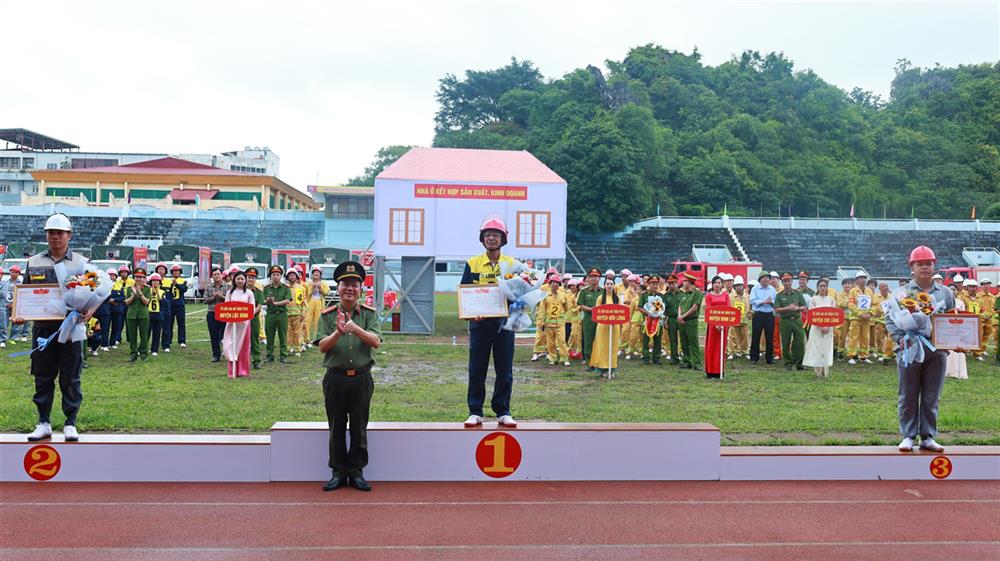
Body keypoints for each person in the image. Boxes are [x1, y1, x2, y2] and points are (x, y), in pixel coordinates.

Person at [13, 214, 89, 442]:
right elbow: (25, 293)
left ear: (69, 235)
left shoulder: (80, 263)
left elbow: (91, 294)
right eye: (51, 232)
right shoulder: (34, 262)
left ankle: (70, 423)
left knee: (70, 377)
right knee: (43, 376)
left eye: (59, 232)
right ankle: (43, 422)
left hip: (71, 328)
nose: (55, 236)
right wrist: (19, 314)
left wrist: (90, 310)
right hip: (43, 330)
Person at [317, 260, 382, 492]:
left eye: (355, 284)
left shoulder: (368, 314)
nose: (350, 288)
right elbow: (322, 346)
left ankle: (356, 471)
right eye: (345, 283)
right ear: (338, 287)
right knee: (335, 426)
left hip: (361, 379)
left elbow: (375, 341)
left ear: (361, 289)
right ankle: (338, 471)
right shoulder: (327, 315)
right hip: (335, 378)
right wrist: (338, 331)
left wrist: (355, 328)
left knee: (358, 426)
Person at [886, 246, 954, 452]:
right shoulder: (902, 293)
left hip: (937, 351)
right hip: (909, 349)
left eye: (928, 263)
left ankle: (927, 436)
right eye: (920, 264)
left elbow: (953, 319)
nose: (925, 267)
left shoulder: (946, 292)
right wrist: (900, 339)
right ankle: (908, 435)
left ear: (934, 266)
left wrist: (957, 340)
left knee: (931, 395)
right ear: (911, 268)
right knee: (908, 393)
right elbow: (889, 319)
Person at [460, 215, 518, 427]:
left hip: (505, 324)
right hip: (479, 324)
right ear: (482, 238)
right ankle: (475, 411)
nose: (491, 238)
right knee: (477, 368)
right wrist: (470, 313)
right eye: (487, 235)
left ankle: (503, 410)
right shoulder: (472, 263)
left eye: (495, 235)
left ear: (503, 239)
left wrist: (517, 304)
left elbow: (518, 292)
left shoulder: (512, 264)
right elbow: (464, 293)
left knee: (504, 369)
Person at [222, 270, 255, 379]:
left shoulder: (249, 293)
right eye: (238, 279)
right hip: (232, 324)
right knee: (231, 346)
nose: (240, 281)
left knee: (244, 348)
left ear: (245, 280)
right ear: (234, 280)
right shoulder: (229, 293)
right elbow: (226, 307)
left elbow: (252, 308)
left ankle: (243, 370)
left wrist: (245, 318)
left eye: (242, 279)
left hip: (244, 325)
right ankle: (232, 371)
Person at [803, 279, 836, 377]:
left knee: (826, 348)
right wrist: (820, 326)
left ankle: (825, 372)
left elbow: (834, 315)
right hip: (816, 328)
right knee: (817, 348)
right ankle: (817, 372)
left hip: (828, 328)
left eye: (824, 286)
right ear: (817, 288)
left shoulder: (831, 300)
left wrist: (828, 326)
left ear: (827, 288)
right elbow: (811, 314)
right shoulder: (813, 299)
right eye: (820, 286)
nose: (822, 288)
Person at [589, 278, 621, 377]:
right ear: (604, 286)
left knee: (613, 347)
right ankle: (602, 369)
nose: (609, 286)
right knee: (602, 347)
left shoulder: (617, 299)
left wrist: (614, 321)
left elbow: (620, 312)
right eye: (607, 284)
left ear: (614, 285)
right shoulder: (600, 298)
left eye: (611, 284)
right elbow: (597, 312)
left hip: (614, 326)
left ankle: (611, 369)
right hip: (603, 326)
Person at [775, 272, 807, 371]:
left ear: (792, 281)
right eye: (785, 281)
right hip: (785, 321)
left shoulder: (798, 293)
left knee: (800, 342)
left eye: (789, 281)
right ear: (782, 282)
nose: (787, 283)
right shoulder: (779, 295)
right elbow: (776, 309)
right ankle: (788, 364)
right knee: (785, 342)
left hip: (797, 320)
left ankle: (799, 363)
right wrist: (788, 308)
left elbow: (804, 307)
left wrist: (797, 308)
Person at [263, 265, 292, 364]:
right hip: (270, 314)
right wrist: (267, 301)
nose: (276, 276)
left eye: (278, 274)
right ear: (271, 276)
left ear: (281, 276)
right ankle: (269, 355)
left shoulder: (285, 288)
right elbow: (262, 301)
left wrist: (276, 303)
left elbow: (288, 300)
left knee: (283, 336)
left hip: (282, 314)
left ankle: (283, 355)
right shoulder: (266, 288)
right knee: (269, 335)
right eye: (273, 274)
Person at [703, 275, 731, 379]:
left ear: (722, 284)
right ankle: (710, 371)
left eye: (719, 283)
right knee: (712, 347)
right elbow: (708, 309)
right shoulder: (709, 296)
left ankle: (720, 370)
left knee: (721, 347)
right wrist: (715, 324)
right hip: (712, 325)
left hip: (724, 325)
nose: (717, 285)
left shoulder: (726, 295)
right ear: (712, 284)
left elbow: (729, 308)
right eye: (715, 283)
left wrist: (723, 324)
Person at [540, 274, 571, 366]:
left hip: (560, 323)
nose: (555, 285)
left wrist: (562, 316)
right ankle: (552, 358)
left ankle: (564, 358)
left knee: (562, 341)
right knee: (550, 342)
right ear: (550, 284)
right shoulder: (545, 296)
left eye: (557, 283)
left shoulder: (563, 295)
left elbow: (567, 307)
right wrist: (541, 322)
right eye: (553, 283)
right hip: (549, 323)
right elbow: (542, 310)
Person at [847, 271, 875, 364]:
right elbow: (851, 304)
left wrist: (870, 313)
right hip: (856, 318)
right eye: (861, 278)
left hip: (867, 319)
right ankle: (851, 355)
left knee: (865, 337)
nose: (863, 279)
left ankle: (863, 356)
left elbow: (874, 304)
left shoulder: (869, 291)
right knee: (853, 337)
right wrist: (860, 314)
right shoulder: (853, 291)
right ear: (857, 280)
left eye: (864, 278)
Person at [576, 268, 602, 368]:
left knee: (600, 340)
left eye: (596, 277)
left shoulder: (603, 291)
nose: (594, 279)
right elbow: (581, 305)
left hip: (601, 320)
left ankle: (599, 361)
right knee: (588, 341)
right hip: (588, 319)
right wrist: (592, 310)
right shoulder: (583, 292)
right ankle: (589, 362)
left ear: (599, 278)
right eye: (591, 277)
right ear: (588, 278)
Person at [749, 272, 777, 364]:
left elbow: (775, 301)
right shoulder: (755, 288)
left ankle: (769, 358)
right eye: (763, 278)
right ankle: (754, 357)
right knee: (756, 336)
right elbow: (752, 300)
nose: (766, 279)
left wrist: (770, 302)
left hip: (769, 315)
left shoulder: (772, 289)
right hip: (758, 315)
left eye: (767, 278)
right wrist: (763, 302)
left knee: (769, 337)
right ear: (760, 279)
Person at [124, 268, 151, 362]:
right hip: (131, 314)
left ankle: (143, 353)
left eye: (141, 277)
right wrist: (133, 295)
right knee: (132, 335)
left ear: (144, 278)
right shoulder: (129, 288)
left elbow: (146, 302)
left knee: (144, 335)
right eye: (137, 277)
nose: (138, 279)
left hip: (143, 314)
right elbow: (127, 302)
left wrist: (139, 293)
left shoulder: (147, 289)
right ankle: (133, 353)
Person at [677, 273, 703, 369]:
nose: (683, 283)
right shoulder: (684, 294)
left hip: (691, 321)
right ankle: (687, 361)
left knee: (693, 342)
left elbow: (694, 308)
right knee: (683, 342)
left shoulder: (697, 293)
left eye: (685, 281)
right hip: (682, 321)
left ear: (689, 282)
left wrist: (682, 317)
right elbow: (680, 306)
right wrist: (680, 316)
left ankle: (696, 363)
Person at [637, 275, 664, 365]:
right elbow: (639, 307)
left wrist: (658, 314)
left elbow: (664, 308)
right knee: (645, 340)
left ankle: (656, 358)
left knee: (658, 340)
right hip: (647, 320)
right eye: (653, 284)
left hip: (658, 321)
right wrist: (648, 313)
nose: (655, 286)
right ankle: (646, 357)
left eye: (656, 284)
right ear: (649, 284)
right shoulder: (644, 295)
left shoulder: (661, 296)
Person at [203, 268, 227, 362]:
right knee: (213, 335)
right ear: (212, 276)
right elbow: (205, 300)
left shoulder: (227, 286)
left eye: (218, 274)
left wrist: (222, 297)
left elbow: (230, 300)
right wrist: (214, 297)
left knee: (224, 334)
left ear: (221, 275)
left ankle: (226, 352)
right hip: (212, 313)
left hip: (224, 313)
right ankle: (216, 354)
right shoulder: (208, 287)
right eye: (214, 274)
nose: (216, 276)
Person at [945, 284, 968, 380]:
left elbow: (965, 316)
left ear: (957, 291)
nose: (952, 291)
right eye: (950, 289)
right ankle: (948, 371)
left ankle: (959, 371)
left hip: (958, 329)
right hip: (947, 329)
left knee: (958, 349)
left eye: (954, 289)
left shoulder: (960, 302)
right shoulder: (944, 302)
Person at [163, 264, 188, 351]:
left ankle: (182, 340)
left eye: (177, 271)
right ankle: (168, 340)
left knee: (181, 323)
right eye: (174, 271)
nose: (176, 272)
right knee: (169, 323)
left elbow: (184, 289)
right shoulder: (168, 280)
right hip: (171, 304)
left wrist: (176, 284)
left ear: (180, 272)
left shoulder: (183, 280)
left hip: (180, 304)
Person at [245, 267, 264, 369]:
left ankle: (256, 360)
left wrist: (250, 314)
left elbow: (259, 306)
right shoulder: (240, 291)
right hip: (241, 319)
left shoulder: (259, 292)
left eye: (253, 277)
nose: (251, 279)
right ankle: (241, 360)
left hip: (253, 318)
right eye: (249, 277)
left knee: (254, 339)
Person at [728, 275, 750, 360]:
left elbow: (749, 307)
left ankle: (744, 352)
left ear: (743, 286)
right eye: (737, 286)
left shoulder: (747, 296)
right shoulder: (730, 296)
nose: (739, 288)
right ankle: (732, 352)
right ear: (734, 287)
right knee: (733, 337)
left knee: (745, 337)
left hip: (744, 320)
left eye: (740, 285)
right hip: (734, 320)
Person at [306, 265, 330, 342]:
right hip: (310, 302)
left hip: (319, 302)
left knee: (318, 321)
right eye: (314, 273)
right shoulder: (308, 283)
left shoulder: (323, 283)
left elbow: (327, 292)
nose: (316, 274)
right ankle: (306, 339)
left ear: (320, 275)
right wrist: (311, 288)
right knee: (307, 321)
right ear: (312, 274)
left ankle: (317, 338)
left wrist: (321, 288)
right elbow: (305, 294)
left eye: (317, 273)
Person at [285, 268, 306, 356]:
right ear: (287, 277)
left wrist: (303, 313)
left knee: (297, 333)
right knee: (287, 332)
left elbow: (304, 302)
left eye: (293, 275)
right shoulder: (284, 287)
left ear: (296, 277)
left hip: (298, 314)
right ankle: (288, 348)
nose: (292, 277)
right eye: (290, 275)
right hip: (286, 314)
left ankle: (297, 349)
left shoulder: (300, 288)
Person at [6, 265, 28, 343]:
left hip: (16, 305)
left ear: (19, 274)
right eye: (12, 272)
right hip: (6, 305)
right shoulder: (5, 283)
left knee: (15, 322)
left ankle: (14, 337)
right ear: (10, 273)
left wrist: (16, 304)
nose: (14, 274)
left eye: (16, 272)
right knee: (4, 323)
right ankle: (3, 337)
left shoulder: (21, 283)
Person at [109, 265, 130, 348]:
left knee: (126, 322)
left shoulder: (131, 281)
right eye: (122, 272)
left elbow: (122, 296)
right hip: (113, 306)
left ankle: (129, 338)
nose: (123, 274)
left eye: (125, 272)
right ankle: (117, 338)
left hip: (126, 303)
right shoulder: (118, 282)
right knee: (119, 324)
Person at [154, 262, 173, 352]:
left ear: (165, 271)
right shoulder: (153, 280)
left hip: (166, 307)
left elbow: (170, 296)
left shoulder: (169, 281)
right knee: (155, 328)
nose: (161, 271)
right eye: (159, 269)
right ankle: (154, 346)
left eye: (163, 269)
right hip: (155, 308)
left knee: (166, 327)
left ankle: (166, 345)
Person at [663, 274, 681, 364]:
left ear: (677, 283)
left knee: (683, 338)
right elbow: (664, 310)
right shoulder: (665, 296)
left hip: (681, 318)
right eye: (669, 283)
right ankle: (674, 357)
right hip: (671, 319)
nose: (671, 285)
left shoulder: (682, 294)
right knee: (672, 339)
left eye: (673, 283)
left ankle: (686, 356)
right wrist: (664, 321)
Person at [147, 273, 165, 357]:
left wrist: (157, 293)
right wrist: (152, 294)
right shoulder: (147, 290)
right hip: (149, 313)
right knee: (146, 333)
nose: (155, 283)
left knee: (157, 333)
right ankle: (143, 348)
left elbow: (164, 303)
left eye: (157, 281)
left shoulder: (162, 292)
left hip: (158, 314)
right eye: (154, 281)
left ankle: (154, 349)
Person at [565, 279, 582, 359]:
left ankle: (579, 351)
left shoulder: (581, 294)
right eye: (571, 286)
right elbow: (571, 308)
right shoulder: (571, 296)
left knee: (580, 336)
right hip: (574, 319)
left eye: (573, 285)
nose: (572, 287)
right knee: (573, 335)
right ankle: (570, 350)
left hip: (582, 319)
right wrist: (579, 308)